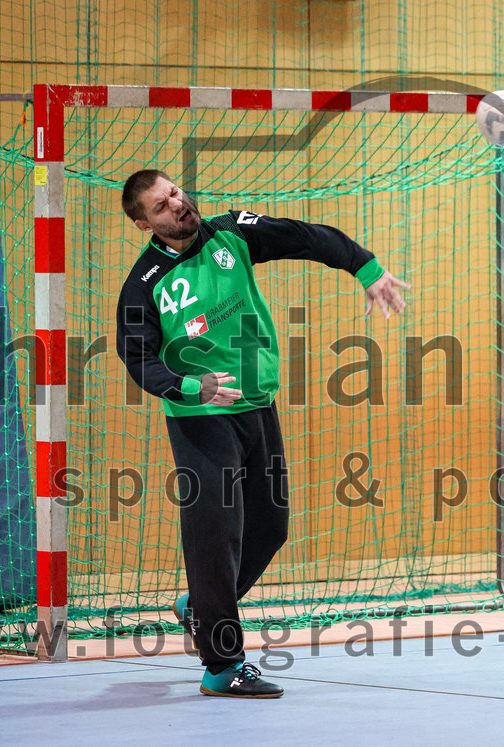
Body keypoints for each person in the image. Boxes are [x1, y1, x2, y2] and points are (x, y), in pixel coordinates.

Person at [114, 169, 409, 698]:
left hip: (257, 404)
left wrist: (367, 269)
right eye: (162, 206)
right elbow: (135, 356)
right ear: (143, 224)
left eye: (175, 193)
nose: (178, 205)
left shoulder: (232, 232)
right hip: (200, 418)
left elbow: (305, 236)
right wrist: (187, 385)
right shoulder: (145, 282)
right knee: (215, 538)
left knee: (271, 527)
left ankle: (199, 606)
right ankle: (222, 667)